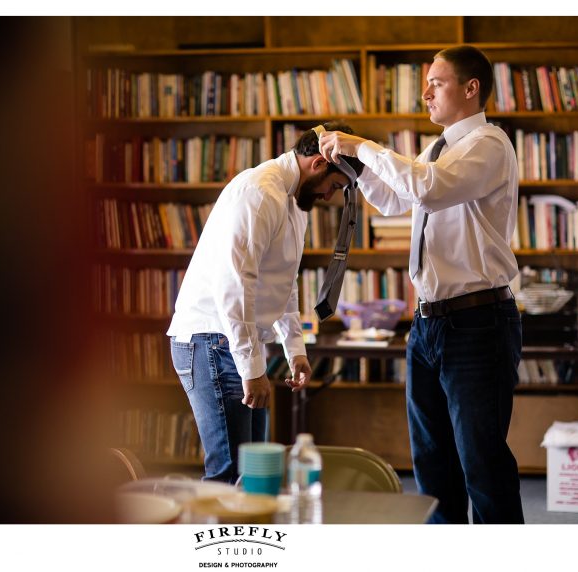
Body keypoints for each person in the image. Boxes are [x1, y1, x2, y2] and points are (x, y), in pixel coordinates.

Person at [318, 45, 524, 523]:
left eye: (437, 82)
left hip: (477, 322)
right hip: (428, 325)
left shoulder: (490, 144)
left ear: (471, 89)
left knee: (483, 466)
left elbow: (428, 187)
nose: (425, 92)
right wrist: (354, 167)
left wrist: (361, 145)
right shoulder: (436, 150)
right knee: (432, 467)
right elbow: (395, 199)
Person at [167, 122, 364, 483]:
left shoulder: (294, 202)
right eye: (334, 186)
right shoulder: (259, 192)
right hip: (211, 342)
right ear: (320, 163)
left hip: (235, 343)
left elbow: (285, 283)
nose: (329, 197)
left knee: (255, 474)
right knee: (230, 476)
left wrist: (295, 350)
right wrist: (252, 369)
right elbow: (235, 285)